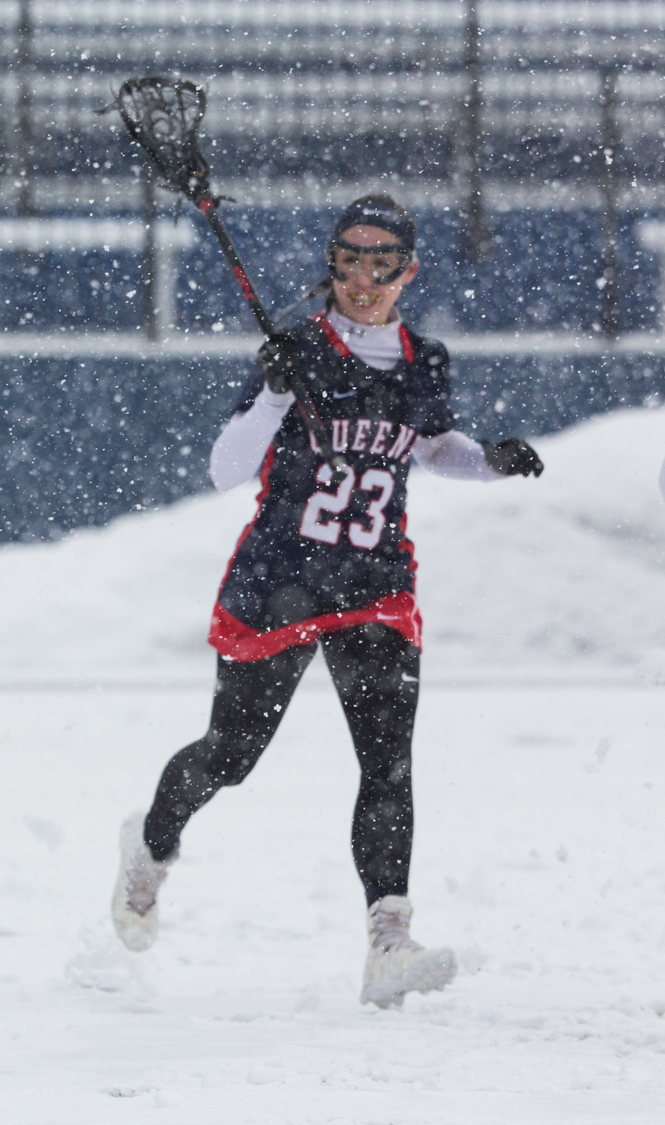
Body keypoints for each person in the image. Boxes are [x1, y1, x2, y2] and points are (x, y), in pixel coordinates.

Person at [110, 194, 544, 1008]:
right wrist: (274, 393)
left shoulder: (425, 361)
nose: (365, 281)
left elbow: (428, 443)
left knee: (386, 764)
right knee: (230, 756)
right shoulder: (298, 350)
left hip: (375, 585)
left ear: (407, 271)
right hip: (281, 581)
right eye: (350, 261)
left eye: (384, 265)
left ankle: (388, 937)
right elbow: (223, 470)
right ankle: (151, 843)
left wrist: (489, 460)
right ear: (333, 264)